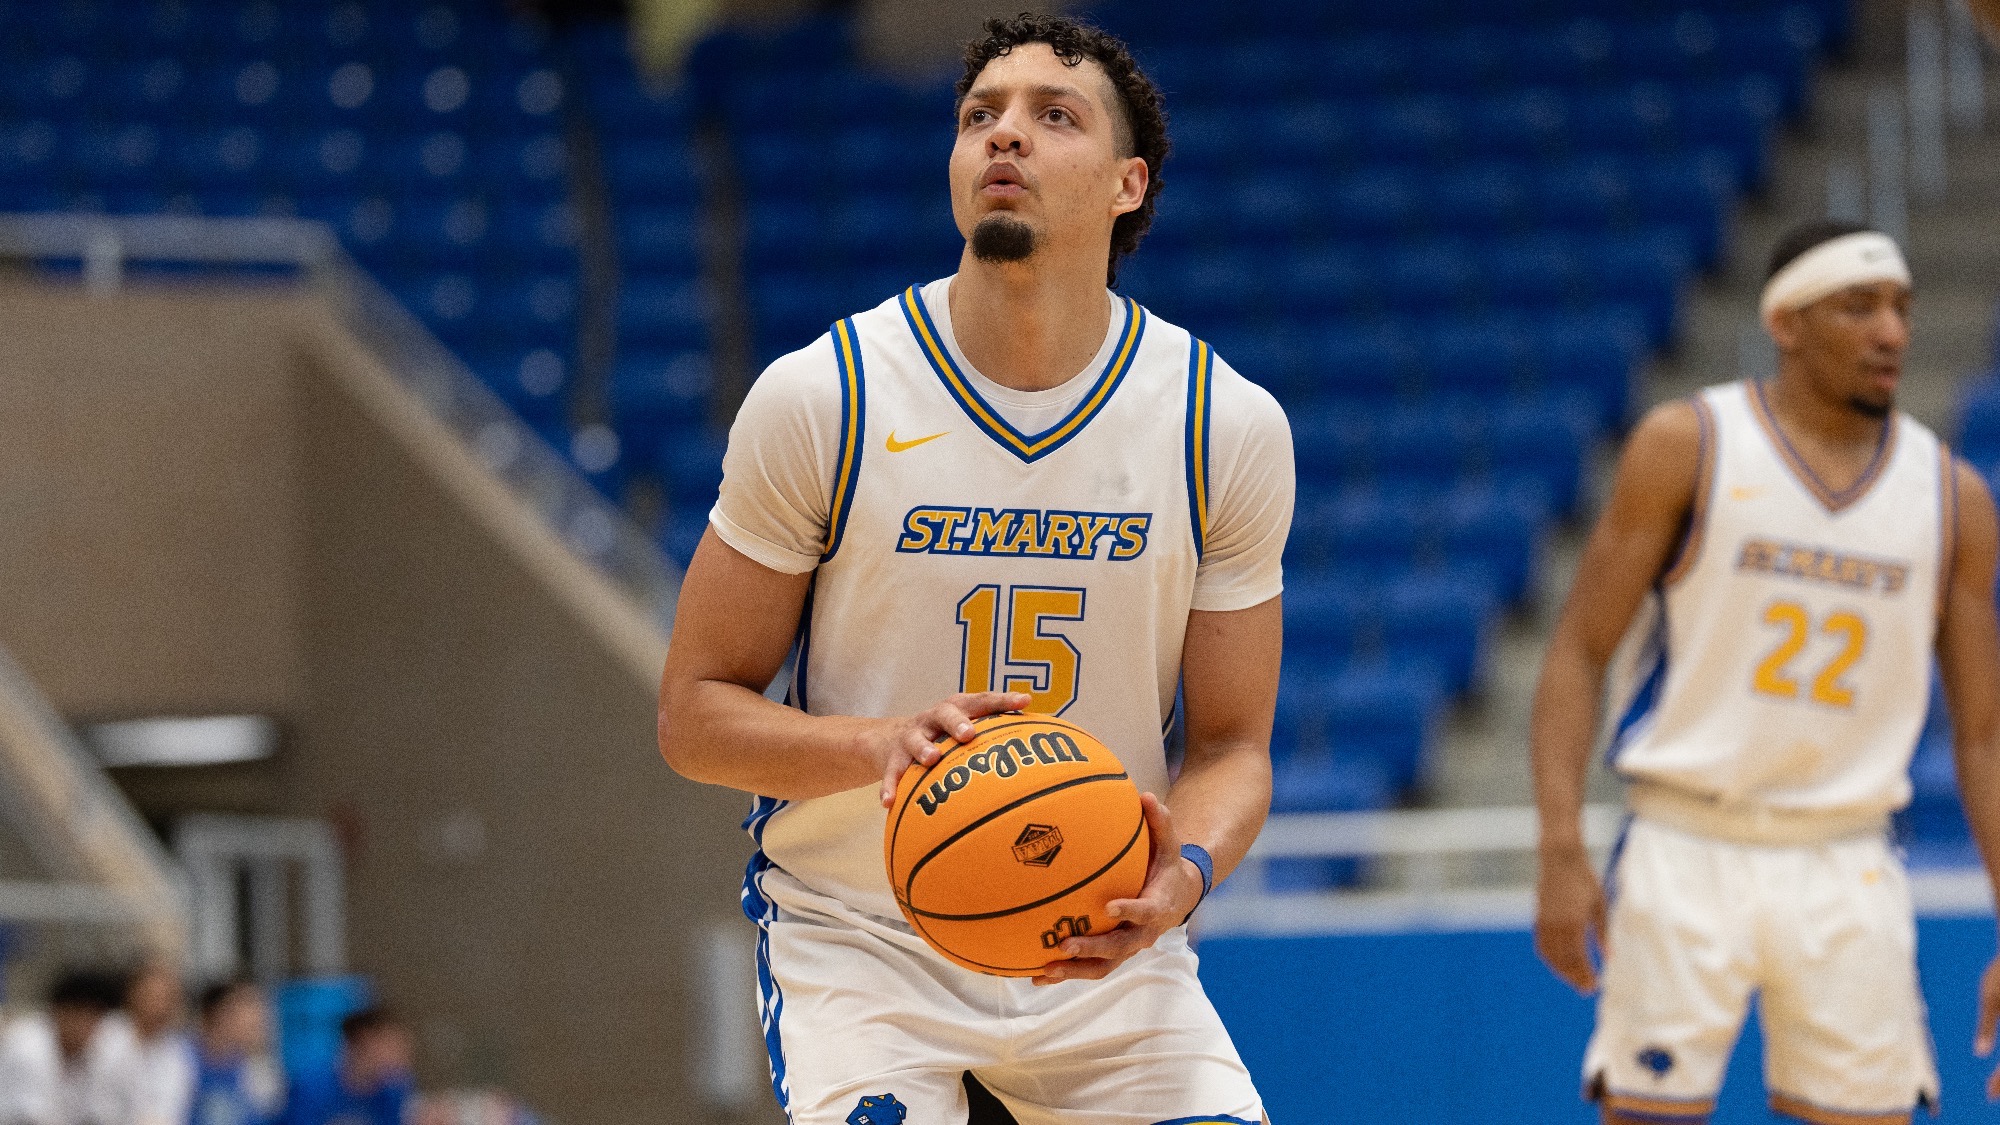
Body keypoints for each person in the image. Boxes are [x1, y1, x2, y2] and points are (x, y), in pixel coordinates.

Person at [656, 13, 1292, 1125]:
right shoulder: (828, 396)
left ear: (1126, 184)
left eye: (1053, 117)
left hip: (1093, 936)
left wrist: (1176, 882)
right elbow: (693, 717)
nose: (1005, 136)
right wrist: (878, 745)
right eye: (978, 117)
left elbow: (1234, 749)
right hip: (862, 936)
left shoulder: (1216, 424)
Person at [1530, 220, 2000, 1124]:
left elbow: (1982, 735)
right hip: (1684, 842)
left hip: (1848, 856)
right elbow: (1578, 651)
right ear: (1785, 322)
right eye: (1858, 307)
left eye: (1901, 308)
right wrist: (1560, 846)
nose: (1891, 331)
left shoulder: (1954, 498)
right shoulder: (1689, 444)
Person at [0, 970, 127, 1125]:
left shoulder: (89, 1052)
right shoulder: (28, 1047)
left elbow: (98, 1113)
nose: (86, 1025)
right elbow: (30, 1118)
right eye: (80, 1014)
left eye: (95, 1017)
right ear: (58, 1010)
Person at [96, 960, 195, 1125]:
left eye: (168, 999)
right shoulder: (105, 1036)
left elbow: (172, 1109)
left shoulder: (177, 1052)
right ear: (132, 994)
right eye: (152, 996)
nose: (160, 1006)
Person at [281, 1007, 415, 1125]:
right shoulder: (310, 1086)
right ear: (365, 1041)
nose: (403, 1052)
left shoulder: (393, 1091)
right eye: (392, 1044)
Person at [190, 981, 285, 1125]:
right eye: (244, 1012)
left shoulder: (258, 1073)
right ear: (216, 1014)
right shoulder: (183, 1060)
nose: (257, 1022)